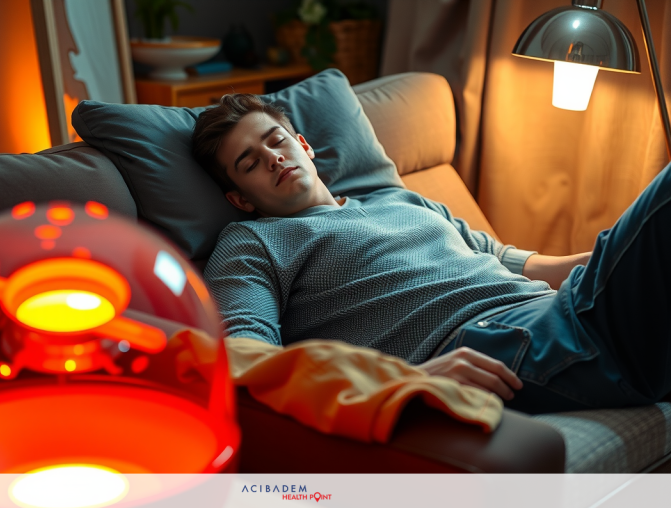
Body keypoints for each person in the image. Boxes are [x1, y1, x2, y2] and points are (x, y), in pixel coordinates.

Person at [191, 93, 671, 415]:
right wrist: (400, 380)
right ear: (241, 200)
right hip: (492, 343)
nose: (273, 157)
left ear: (303, 145)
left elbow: (512, 259)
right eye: (250, 163)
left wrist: (623, 254)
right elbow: (246, 359)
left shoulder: (400, 200)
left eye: (275, 141)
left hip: (548, 306)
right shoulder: (252, 244)